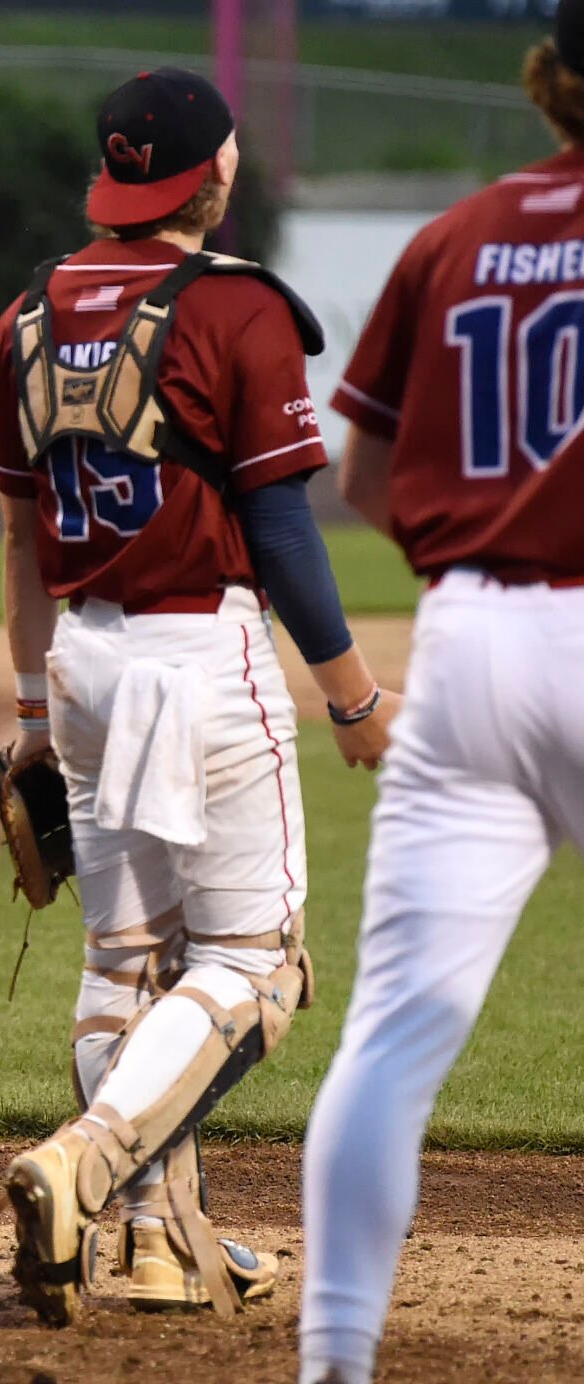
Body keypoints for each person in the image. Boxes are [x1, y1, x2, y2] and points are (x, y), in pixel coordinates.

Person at [0, 67, 399, 1326]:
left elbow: (16, 540)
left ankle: (164, 1251)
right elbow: (279, 529)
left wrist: (28, 718)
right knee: (254, 971)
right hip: (200, 663)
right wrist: (352, 696)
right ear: (213, 175)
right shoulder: (234, 308)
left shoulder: (24, 318)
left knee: (125, 969)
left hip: (84, 666)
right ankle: (83, 1164)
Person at [299, 9, 584, 1380]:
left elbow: (358, 475)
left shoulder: (456, 235)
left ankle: (334, 1358)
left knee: (393, 1036)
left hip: (464, 640)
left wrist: (469, 574)